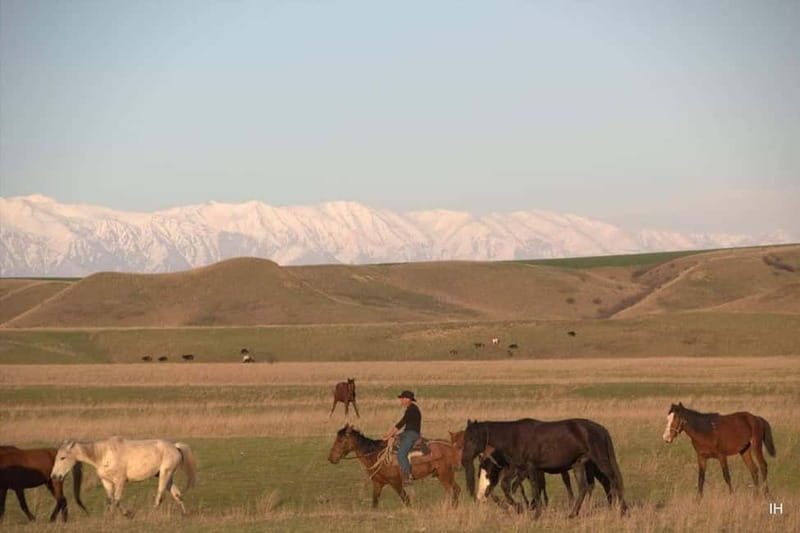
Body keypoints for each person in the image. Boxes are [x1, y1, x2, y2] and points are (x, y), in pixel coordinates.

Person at [382, 390, 421, 484]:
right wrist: (391, 435)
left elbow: (400, 424)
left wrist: (389, 435)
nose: (401, 401)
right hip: (407, 433)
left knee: (401, 454)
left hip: (411, 434)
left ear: (408, 399)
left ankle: (407, 476)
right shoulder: (410, 408)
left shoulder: (412, 410)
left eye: (402, 399)